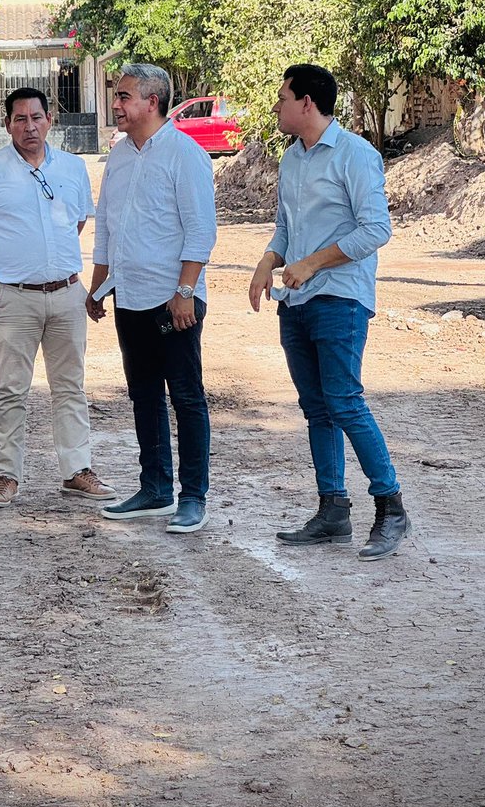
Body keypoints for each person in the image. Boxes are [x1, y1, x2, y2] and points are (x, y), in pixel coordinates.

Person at [249, 63, 411, 561]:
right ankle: (332, 510)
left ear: (307, 103)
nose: (276, 107)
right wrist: (266, 263)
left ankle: (391, 508)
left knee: (344, 402)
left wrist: (313, 262)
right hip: (295, 300)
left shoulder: (355, 155)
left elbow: (375, 230)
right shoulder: (291, 159)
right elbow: (285, 227)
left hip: (340, 297)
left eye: (282, 98)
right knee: (316, 408)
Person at [0, 87, 116, 508]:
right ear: (7, 123)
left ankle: (76, 470)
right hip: (13, 298)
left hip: (67, 293)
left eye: (36, 117)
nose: (29, 127)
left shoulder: (72, 168)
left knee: (71, 386)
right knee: (10, 389)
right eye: (19, 119)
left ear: (50, 119)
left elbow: (79, 223)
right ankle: (5, 476)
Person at [87, 63, 217, 534]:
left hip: (173, 300)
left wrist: (185, 292)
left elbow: (201, 229)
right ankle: (155, 489)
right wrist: (98, 285)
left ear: (152, 102)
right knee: (143, 395)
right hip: (130, 297)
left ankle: (193, 497)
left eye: (123, 97)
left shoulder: (186, 154)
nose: (116, 105)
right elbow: (107, 226)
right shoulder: (120, 156)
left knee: (185, 397)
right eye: (117, 96)